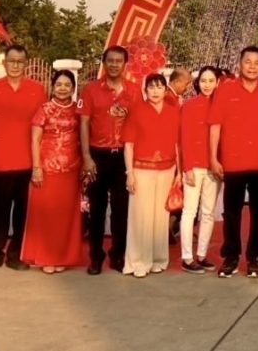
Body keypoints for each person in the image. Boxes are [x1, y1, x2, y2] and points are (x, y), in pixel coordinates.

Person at [209, 46, 258, 278]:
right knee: (232, 212)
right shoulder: (225, 90)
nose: (252, 66)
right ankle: (231, 256)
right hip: (233, 161)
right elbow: (215, 125)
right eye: (247, 62)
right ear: (239, 64)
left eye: (257, 62)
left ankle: (255, 257)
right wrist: (213, 158)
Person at [0, 44, 47, 272]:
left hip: (28, 159)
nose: (15, 65)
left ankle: (17, 254)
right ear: (4, 63)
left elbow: (44, 124)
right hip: (0, 159)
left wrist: (40, 161)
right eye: (11, 61)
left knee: (22, 211)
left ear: (25, 64)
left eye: (20, 62)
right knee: (0, 209)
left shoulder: (36, 89)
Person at [79, 45, 141, 275]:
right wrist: (87, 157)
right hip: (98, 155)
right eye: (110, 61)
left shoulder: (134, 90)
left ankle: (118, 255)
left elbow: (139, 123)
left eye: (118, 61)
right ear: (104, 63)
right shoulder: (91, 90)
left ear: (125, 64)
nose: (114, 65)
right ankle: (96, 257)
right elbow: (84, 123)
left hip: (122, 156)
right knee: (96, 210)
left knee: (121, 210)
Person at [23, 69, 84, 273]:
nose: (63, 88)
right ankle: (46, 257)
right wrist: (36, 167)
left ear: (73, 88)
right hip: (47, 169)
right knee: (47, 214)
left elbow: (84, 136)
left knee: (65, 216)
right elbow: (35, 140)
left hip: (72, 169)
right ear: (52, 87)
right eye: (59, 84)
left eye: (67, 85)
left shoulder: (78, 110)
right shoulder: (44, 109)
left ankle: (62, 257)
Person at [123, 74, 181, 278]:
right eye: (151, 87)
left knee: (161, 216)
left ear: (165, 90)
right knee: (141, 215)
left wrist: (179, 171)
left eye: (159, 87)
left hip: (167, 169)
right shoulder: (137, 111)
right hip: (142, 169)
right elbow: (128, 145)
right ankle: (138, 261)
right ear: (145, 90)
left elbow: (177, 144)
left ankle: (158, 258)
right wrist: (129, 173)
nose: (155, 91)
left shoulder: (173, 112)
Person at [178, 66, 221, 274]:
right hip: (194, 166)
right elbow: (184, 138)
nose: (207, 85)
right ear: (197, 83)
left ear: (218, 82)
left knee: (208, 212)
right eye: (203, 81)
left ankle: (202, 255)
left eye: (211, 81)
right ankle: (187, 257)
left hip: (214, 167)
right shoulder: (189, 106)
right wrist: (187, 168)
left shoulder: (222, 105)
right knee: (189, 212)